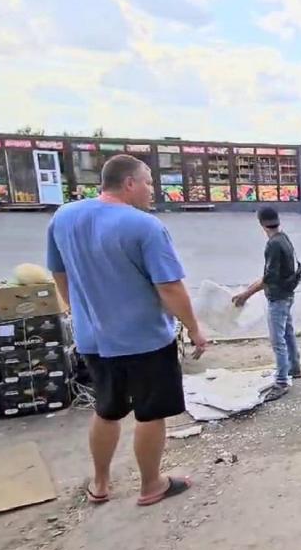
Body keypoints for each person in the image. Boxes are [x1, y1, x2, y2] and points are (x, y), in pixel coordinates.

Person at [46, 154, 207, 507]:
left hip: (93, 339)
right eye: (149, 182)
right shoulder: (144, 226)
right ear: (130, 183)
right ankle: (152, 485)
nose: (152, 190)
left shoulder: (64, 217)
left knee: (106, 410)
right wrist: (194, 328)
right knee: (150, 413)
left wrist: (77, 310)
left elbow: (58, 272)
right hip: (144, 340)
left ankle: (100, 484)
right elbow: (170, 288)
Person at [233, 207, 301, 400]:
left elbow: (269, 278)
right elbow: (270, 275)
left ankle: (281, 382)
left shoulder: (273, 244)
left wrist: (246, 295)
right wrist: (249, 288)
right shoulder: (284, 238)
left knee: (277, 340)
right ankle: (294, 369)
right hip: (288, 294)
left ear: (261, 224)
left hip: (278, 298)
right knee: (288, 333)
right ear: (277, 220)